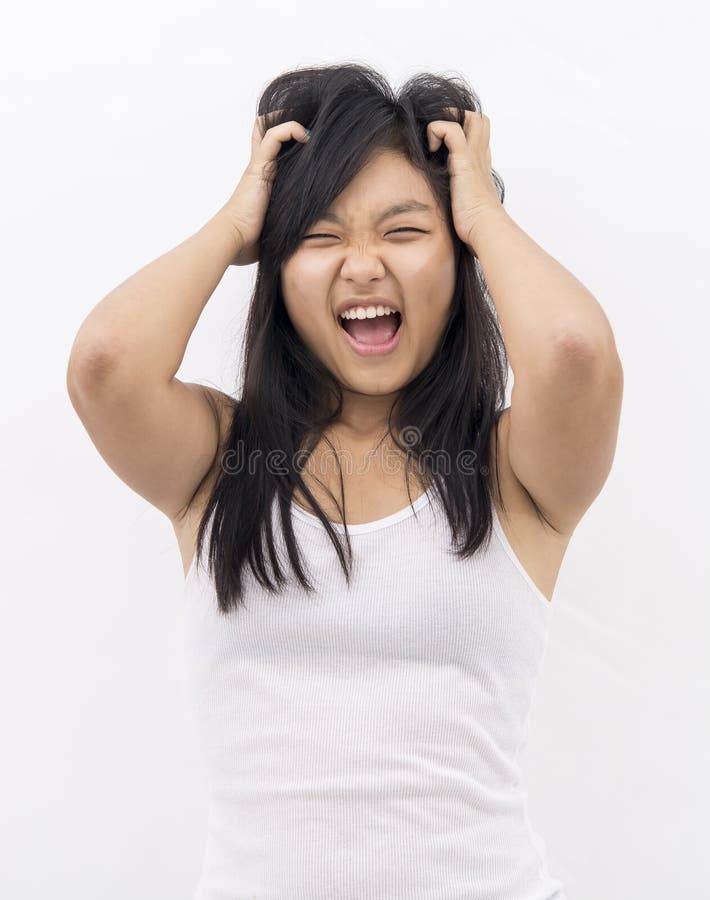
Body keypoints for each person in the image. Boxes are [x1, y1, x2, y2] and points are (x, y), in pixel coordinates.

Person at [66, 63, 623, 899]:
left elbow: (575, 354)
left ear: (460, 255)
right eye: (320, 238)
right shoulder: (219, 463)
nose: (362, 266)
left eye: (404, 232)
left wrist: (481, 213)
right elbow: (106, 367)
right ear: (277, 269)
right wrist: (236, 222)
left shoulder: (511, 472)